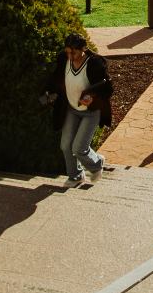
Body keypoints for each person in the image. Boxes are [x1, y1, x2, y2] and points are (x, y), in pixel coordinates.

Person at [42, 33, 112, 186]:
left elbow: (107, 88)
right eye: (67, 51)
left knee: (79, 147)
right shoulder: (64, 60)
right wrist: (48, 92)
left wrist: (92, 97)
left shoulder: (95, 64)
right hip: (71, 109)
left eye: (73, 52)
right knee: (66, 145)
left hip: (91, 112)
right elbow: (56, 78)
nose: (70, 55)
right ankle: (76, 176)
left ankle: (97, 163)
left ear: (83, 49)